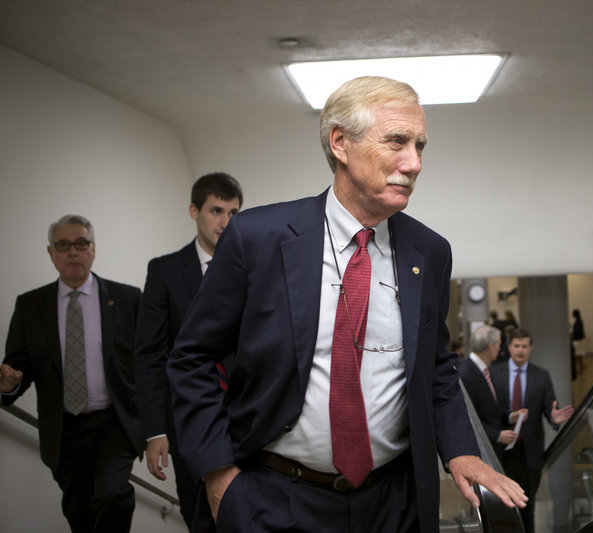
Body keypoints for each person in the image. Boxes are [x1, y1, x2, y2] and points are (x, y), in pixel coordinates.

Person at [166, 76, 527, 533]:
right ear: (340, 143)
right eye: (396, 141)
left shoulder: (429, 252)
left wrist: (460, 450)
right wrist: (218, 474)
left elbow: (436, 367)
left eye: (420, 146)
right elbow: (191, 358)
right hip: (274, 497)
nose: (414, 163)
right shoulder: (257, 238)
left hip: (393, 503)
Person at [0, 214, 142, 533]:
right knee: (79, 511)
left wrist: (157, 426)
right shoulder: (30, 306)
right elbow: (17, 365)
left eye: (80, 243)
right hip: (65, 429)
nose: (72, 252)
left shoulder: (128, 299)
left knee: (114, 494)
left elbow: (148, 362)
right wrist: (9, 385)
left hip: (114, 422)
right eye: (63, 245)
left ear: (93, 249)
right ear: (50, 252)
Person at [134, 172, 243, 528]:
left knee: (245, 515)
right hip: (187, 419)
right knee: (200, 516)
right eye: (216, 211)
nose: (225, 223)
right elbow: (150, 354)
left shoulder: (252, 268)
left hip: (244, 418)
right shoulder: (165, 271)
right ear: (194, 211)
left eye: (234, 213)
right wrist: (155, 431)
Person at [491, 328, 574, 533]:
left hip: (530, 453)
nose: (520, 350)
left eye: (524, 346)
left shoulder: (541, 376)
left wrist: (554, 418)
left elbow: (549, 408)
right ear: (509, 347)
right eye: (516, 346)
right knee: (502, 504)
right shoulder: (494, 373)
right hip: (502, 451)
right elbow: (489, 411)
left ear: (531, 348)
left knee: (528, 506)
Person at [457, 325, 526, 458]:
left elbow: (489, 407)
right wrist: (497, 436)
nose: (500, 349)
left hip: (492, 448)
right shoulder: (466, 374)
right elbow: (467, 418)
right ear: (490, 346)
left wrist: (511, 416)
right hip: (482, 452)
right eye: (499, 345)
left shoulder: (484, 370)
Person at [571, 309, 586, 375]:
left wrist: (573, 336)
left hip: (577, 341)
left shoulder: (577, 322)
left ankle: (580, 368)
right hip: (580, 340)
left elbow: (576, 332)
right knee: (579, 355)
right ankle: (581, 367)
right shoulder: (579, 321)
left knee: (577, 355)